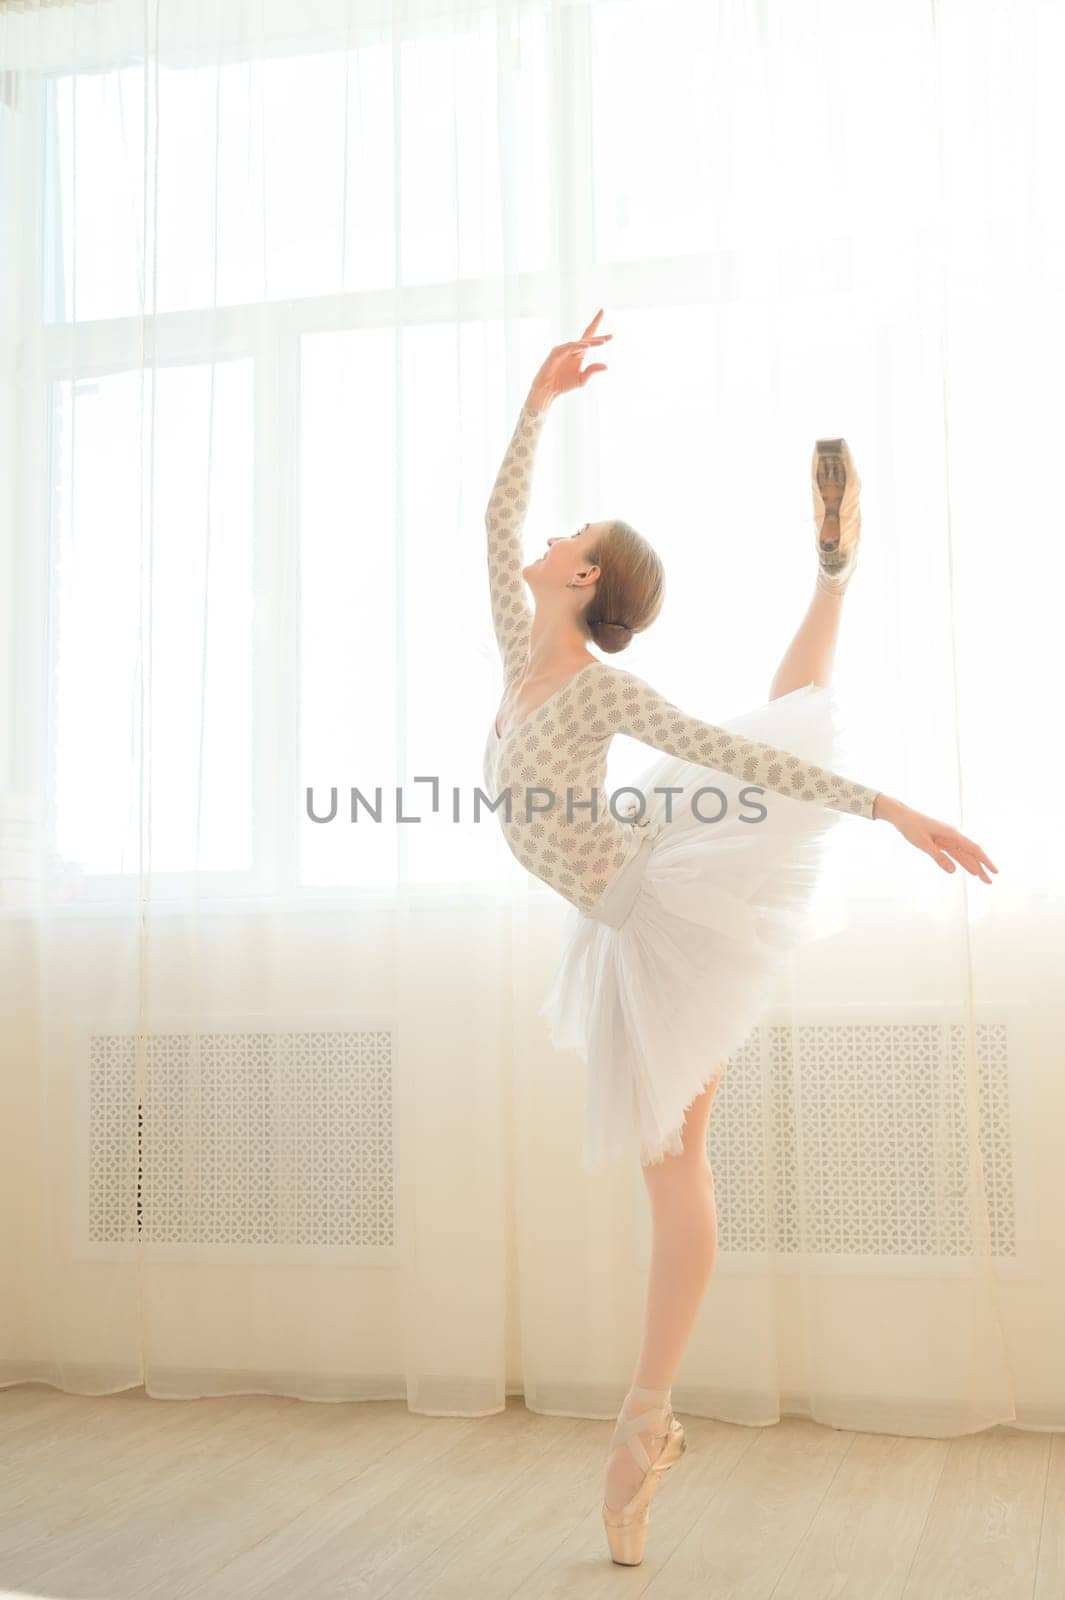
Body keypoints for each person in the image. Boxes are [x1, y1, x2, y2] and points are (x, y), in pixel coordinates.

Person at [482, 308, 997, 1566]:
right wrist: (538, 398)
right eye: (559, 534)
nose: (548, 541)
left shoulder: (599, 685)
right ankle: (832, 576)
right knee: (782, 730)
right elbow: (496, 522)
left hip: (662, 915)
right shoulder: (519, 647)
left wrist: (893, 810)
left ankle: (641, 1425)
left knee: (775, 741)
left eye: (571, 539)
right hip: (628, 909)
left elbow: (722, 750)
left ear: (587, 580)